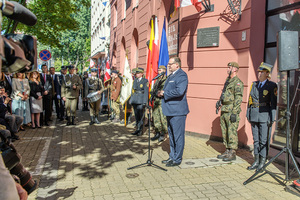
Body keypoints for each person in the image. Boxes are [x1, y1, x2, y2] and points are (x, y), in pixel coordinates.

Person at [157, 57, 189, 167]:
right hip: (170, 110)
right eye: (168, 64)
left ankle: (177, 158)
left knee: (178, 136)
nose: (168, 66)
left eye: (170, 64)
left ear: (177, 65)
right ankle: (172, 156)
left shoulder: (182, 75)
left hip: (177, 111)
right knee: (171, 135)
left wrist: (164, 93)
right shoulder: (171, 76)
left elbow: (179, 91)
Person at [246, 62, 277, 172]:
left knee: (263, 140)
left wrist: (272, 118)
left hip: (264, 115)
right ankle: (256, 160)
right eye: (259, 72)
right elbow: (250, 101)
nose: (259, 74)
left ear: (267, 74)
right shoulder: (254, 84)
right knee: (256, 140)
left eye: (262, 72)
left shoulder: (272, 86)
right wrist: (248, 113)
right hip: (254, 114)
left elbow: (273, 104)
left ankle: (262, 162)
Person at [216, 62, 244, 161]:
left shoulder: (237, 82)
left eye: (229, 67)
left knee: (231, 131)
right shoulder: (228, 81)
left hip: (231, 109)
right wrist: (219, 101)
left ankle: (232, 153)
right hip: (225, 109)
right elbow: (224, 93)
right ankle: (227, 150)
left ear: (235, 69)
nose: (227, 69)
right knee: (225, 130)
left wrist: (234, 112)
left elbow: (238, 98)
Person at [151, 65, 168, 142]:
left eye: (160, 70)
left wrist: (161, 93)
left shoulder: (166, 79)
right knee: (156, 118)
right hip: (156, 101)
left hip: (162, 102)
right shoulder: (157, 80)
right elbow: (153, 90)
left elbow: (167, 90)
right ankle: (157, 132)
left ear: (164, 71)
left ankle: (163, 134)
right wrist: (155, 93)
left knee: (162, 118)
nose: (159, 71)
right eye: (158, 70)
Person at [130, 68, 149, 136]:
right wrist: (131, 100)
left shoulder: (145, 81)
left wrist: (145, 102)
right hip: (135, 100)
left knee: (141, 116)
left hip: (141, 100)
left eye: (138, 73)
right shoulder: (135, 81)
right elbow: (133, 91)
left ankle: (140, 130)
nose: (136, 74)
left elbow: (146, 92)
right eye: (136, 73)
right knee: (136, 115)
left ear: (142, 74)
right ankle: (137, 129)